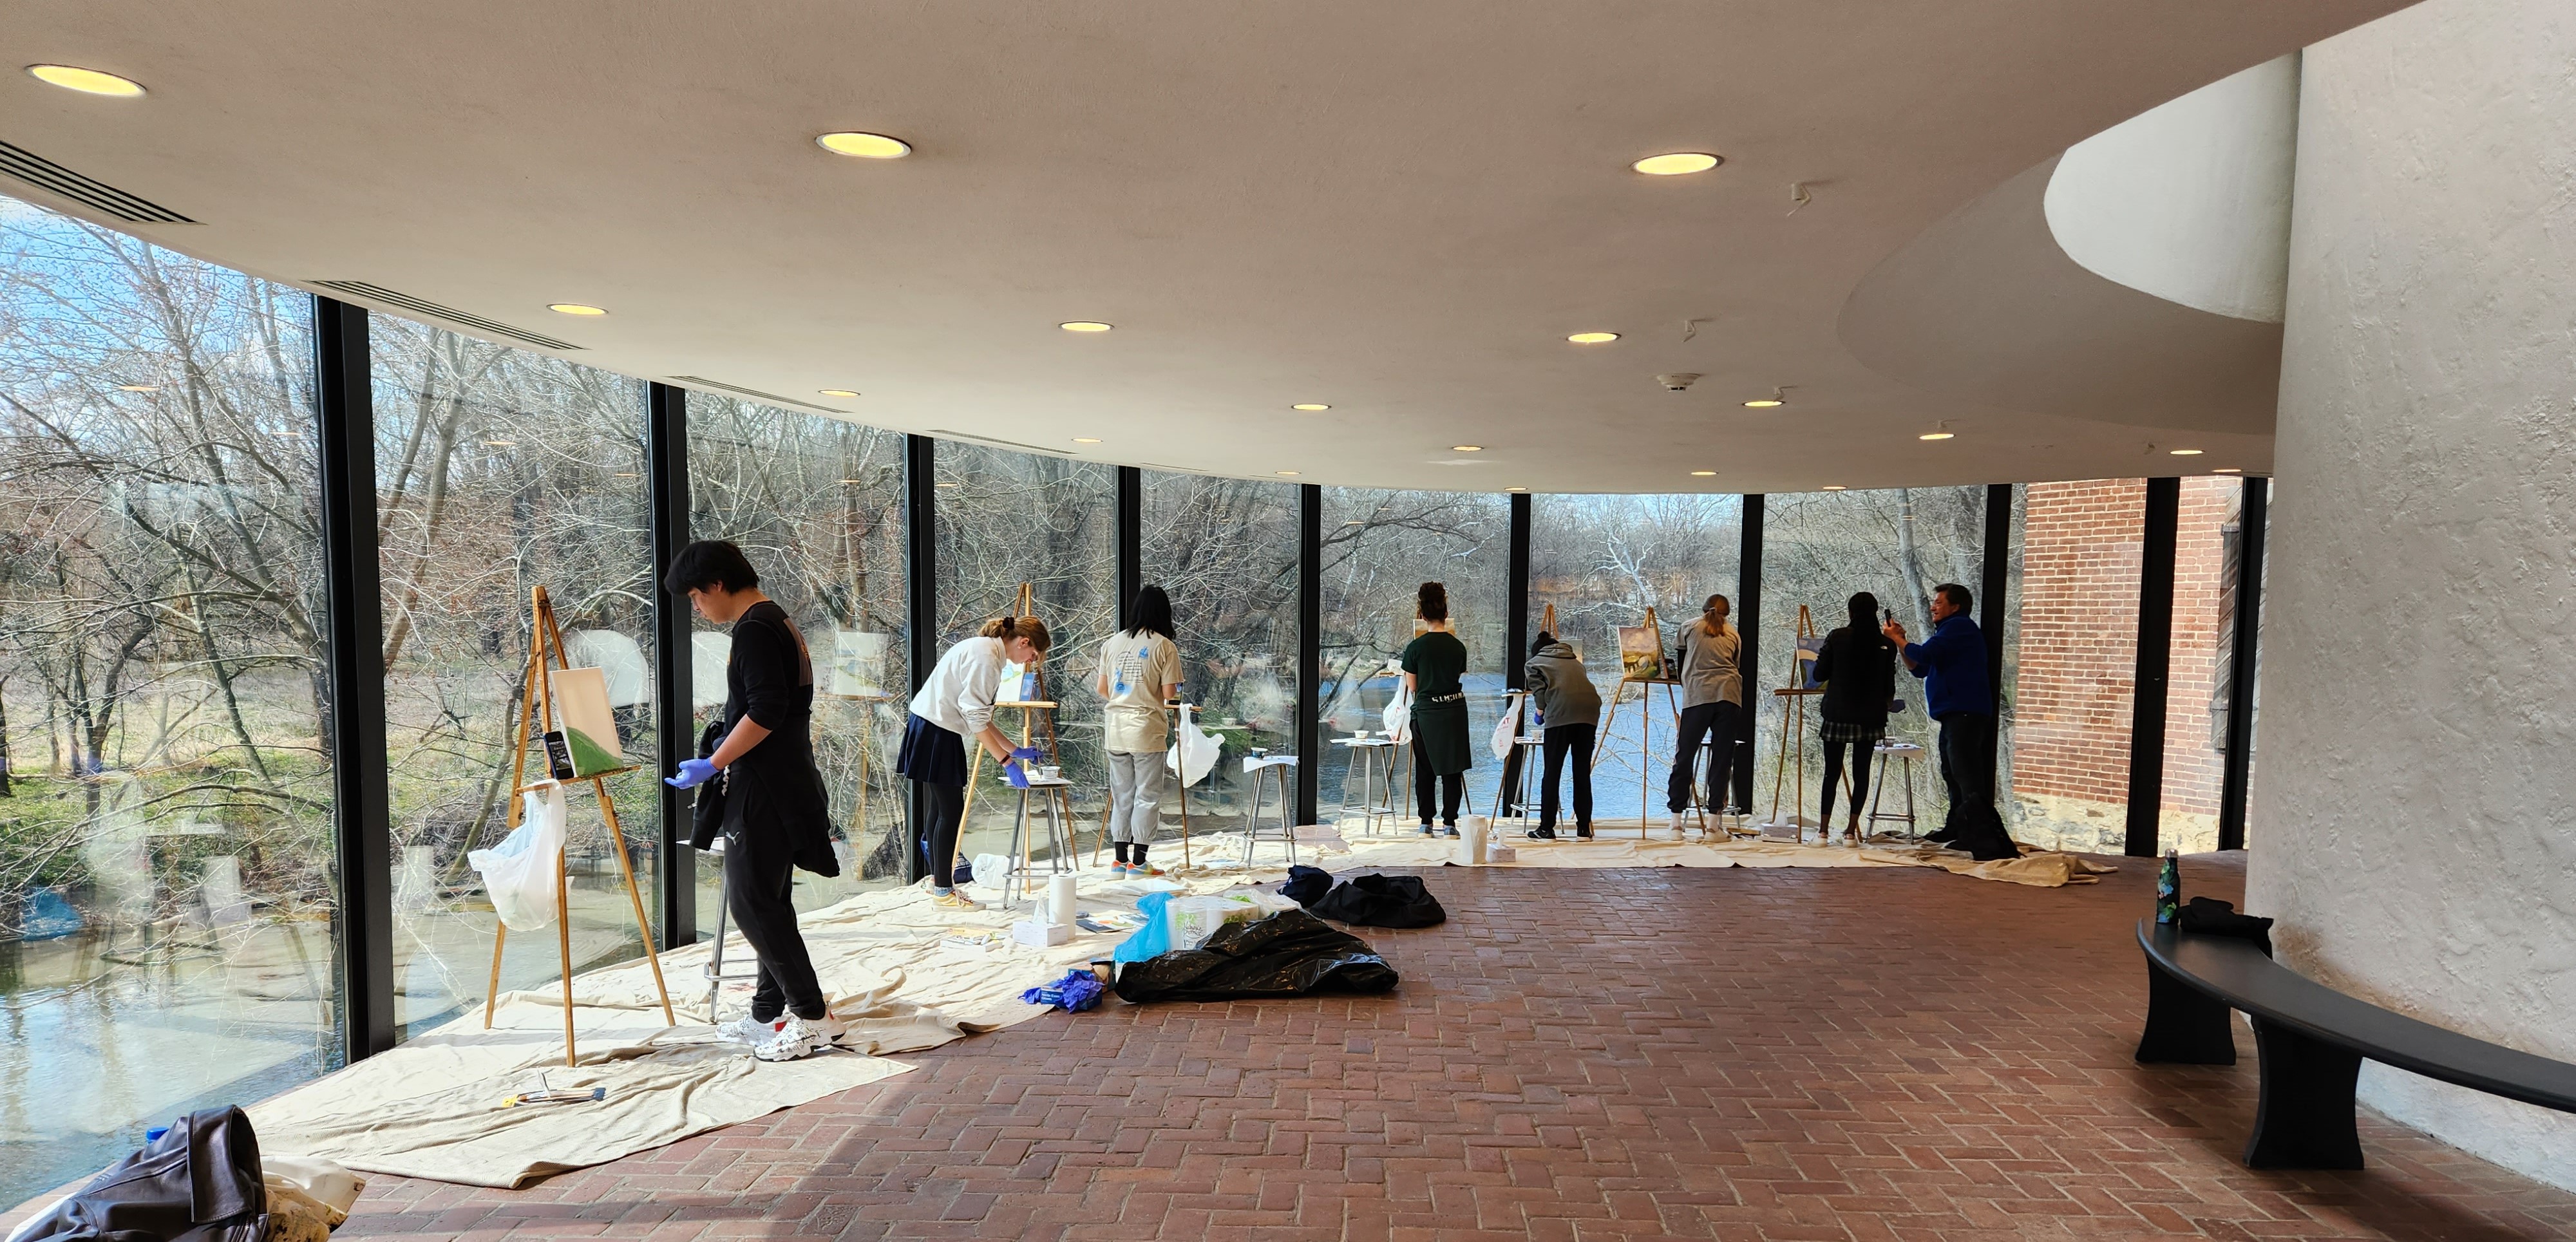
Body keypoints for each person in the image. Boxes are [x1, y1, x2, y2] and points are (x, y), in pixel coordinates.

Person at [661, 540, 844, 1062]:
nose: (698, 608)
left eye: (697, 596)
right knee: (769, 899)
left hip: (766, 785)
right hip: (784, 779)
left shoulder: (756, 628)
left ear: (718, 584)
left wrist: (713, 763)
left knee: (752, 902)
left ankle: (813, 1017)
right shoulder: (776, 619)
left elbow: (766, 709)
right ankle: (769, 1010)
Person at [900, 614, 1054, 909]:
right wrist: (1006, 761)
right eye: (1032, 655)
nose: (1028, 662)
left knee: (940, 810)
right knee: (950, 811)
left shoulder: (985, 650)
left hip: (931, 726)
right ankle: (944, 889)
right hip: (937, 731)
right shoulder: (986, 658)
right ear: (1023, 642)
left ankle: (939, 883)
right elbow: (974, 716)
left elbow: (980, 714)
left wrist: (1013, 749)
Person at [1883, 583, 2018, 861]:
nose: (1933, 606)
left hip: (1965, 713)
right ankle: (1957, 828)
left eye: (1939, 602)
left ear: (1955, 607)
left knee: (1965, 774)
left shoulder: (1958, 627)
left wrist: (1898, 639)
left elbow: (1924, 655)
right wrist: (1902, 642)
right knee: (1951, 772)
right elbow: (1919, 669)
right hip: (1953, 715)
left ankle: (1984, 838)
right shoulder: (1947, 634)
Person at [1094, 585, 1183, 877]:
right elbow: (1171, 693)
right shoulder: (1164, 646)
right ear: (1164, 613)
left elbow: (1102, 689)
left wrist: (1125, 699)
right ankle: (1140, 863)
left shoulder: (1112, 643)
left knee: (1122, 795)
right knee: (1147, 795)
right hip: (1146, 730)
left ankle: (1119, 861)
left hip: (1115, 729)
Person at [1812, 591, 1899, 842]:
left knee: (1832, 771)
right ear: (1874, 613)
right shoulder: (1886, 644)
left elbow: (1818, 675)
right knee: (1862, 773)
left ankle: (1823, 831)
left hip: (1837, 714)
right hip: (1871, 717)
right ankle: (1851, 832)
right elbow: (1888, 685)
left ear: (1850, 612)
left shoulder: (1838, 637)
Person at [1665, 593, 1743, 836]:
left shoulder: (1688, 627)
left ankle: (1676, 823)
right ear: (1727, 613)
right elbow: (1736, 665)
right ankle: (1712, 826)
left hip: (1698, 696)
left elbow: (1680, 665)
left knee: (1685, 756)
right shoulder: (1733, 634)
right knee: (1722, 760)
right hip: (1729, 696)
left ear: (1703, 609)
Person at [1399, 581, 1473, 836]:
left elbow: (1413, 687)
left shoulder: (1415, 648)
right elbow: (1457, 673)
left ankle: (1426, 823)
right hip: (1454, 712)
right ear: (1446, 612)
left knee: (1426, 768)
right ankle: (1450, 823)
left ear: (1421, 614)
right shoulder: (1458, 646)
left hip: (1427, 714)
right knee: (1452, 769)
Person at [1522, 631, 1601, 840]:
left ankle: (1546, 828)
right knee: (1582, 772)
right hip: (1589, 713)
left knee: (1552, 772)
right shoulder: (1575, 661)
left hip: (1561, 714)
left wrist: (1539, 715)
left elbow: (1540, 694)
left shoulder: (1534, 663)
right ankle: (1584, 829)